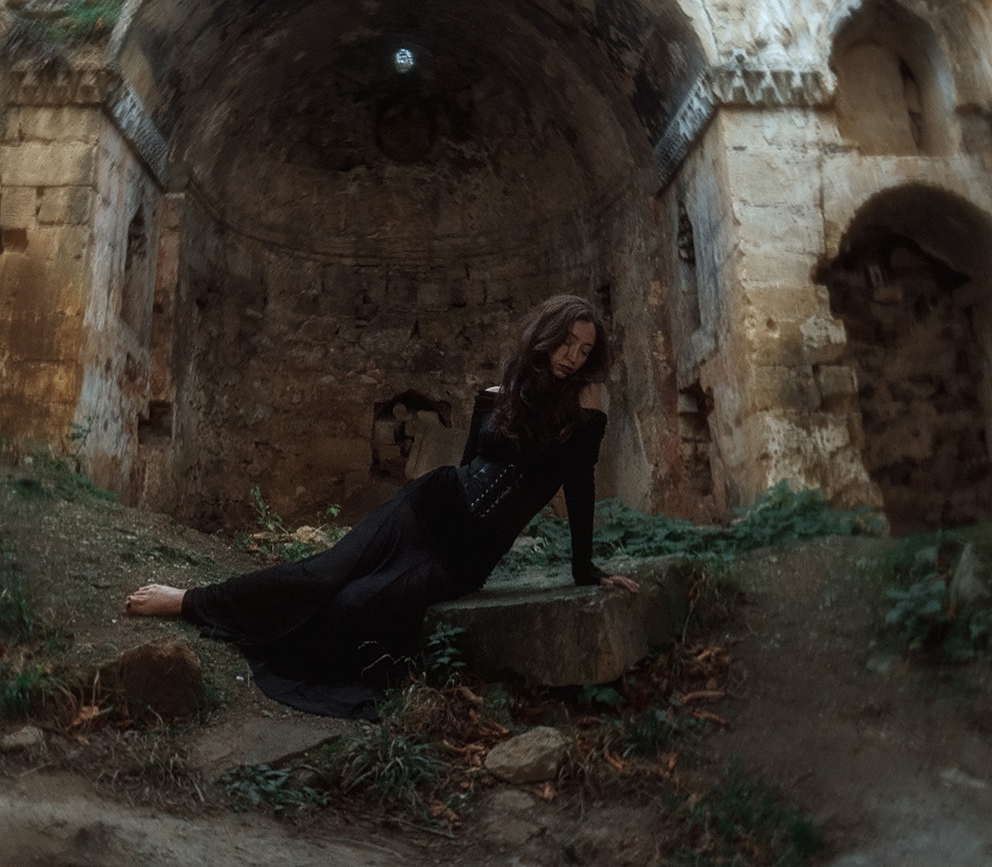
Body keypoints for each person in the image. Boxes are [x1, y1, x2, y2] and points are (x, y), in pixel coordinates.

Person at [124, 293, 641, 718]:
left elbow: (580, 483)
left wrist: (584, 569)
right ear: (545, 335)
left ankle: (268, 637)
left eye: (584, 347)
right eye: (567, 341)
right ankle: (190, 600)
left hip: (464, 556)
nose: (573, 355)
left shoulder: (586, 404)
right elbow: (467, 465)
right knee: (323, 576)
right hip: (429, 505)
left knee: (355, 605)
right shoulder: (497, 392)